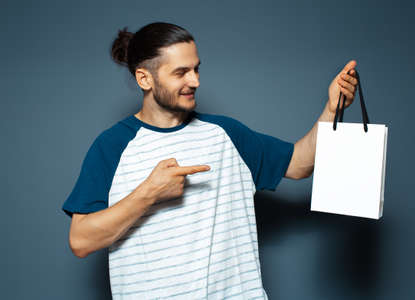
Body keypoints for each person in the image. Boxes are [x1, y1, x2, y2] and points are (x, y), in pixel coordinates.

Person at [62, 22, 358, 299]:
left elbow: (299, 164)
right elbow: (81, 241)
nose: (195, 81)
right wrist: (149, 193)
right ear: (144, 78)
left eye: (196, 69)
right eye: (181, 72)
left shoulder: (225, 133)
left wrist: (332, 109)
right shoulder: (112, 146)